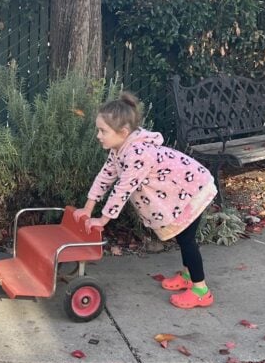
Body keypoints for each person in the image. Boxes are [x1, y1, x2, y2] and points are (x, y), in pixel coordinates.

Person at [74, 92, 219, 308]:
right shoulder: (119, 149)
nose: (98, 135)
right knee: (183, 238)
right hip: (180, 194)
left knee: (187, 240)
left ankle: (200, 289)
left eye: (103, 131)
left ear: (123, 132)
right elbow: (105, 177)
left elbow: (123, 189)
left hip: (192, 191)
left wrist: (102, 220)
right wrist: (88, 208)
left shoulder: (138, 154)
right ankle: (188, 276)